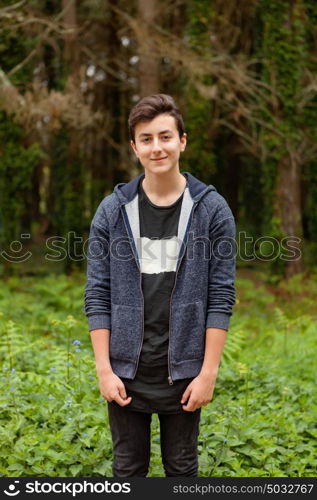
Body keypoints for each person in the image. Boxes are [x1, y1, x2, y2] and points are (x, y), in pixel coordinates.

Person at [84, 93, 236, 477]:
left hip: (184, 372)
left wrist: (208, 373)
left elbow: (221, 295)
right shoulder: (113, 210)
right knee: (127, 469)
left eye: (165, 137)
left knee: (182, 470)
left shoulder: (211, 209)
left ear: (182, 141)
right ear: (135, 147)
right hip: (126, 371)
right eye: (147, 138)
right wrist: (104, 369)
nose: (157, 147)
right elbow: (97, 293)